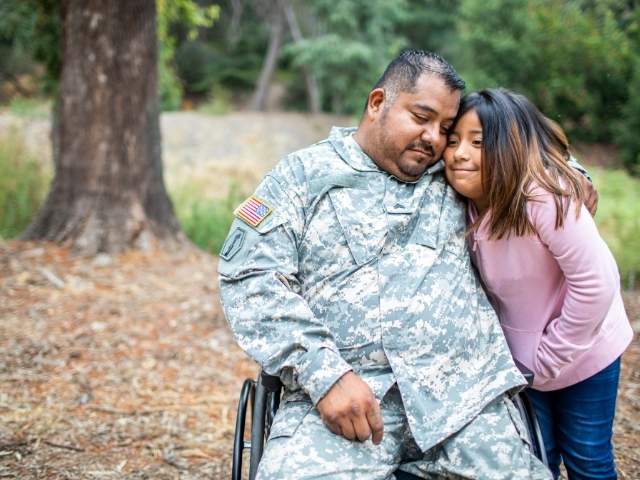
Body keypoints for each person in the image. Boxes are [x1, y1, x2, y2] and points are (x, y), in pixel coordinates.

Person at [219, 50, 553, 479]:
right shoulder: (302, 177)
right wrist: (325, 374)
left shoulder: (455, 172)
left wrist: (569, 174)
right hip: (348, 402)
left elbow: (524, 155)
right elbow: (250, 278)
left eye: (446, 129)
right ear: (377, 103)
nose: (434, 138)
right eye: (421, 117)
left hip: (465, 399)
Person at [443, 88, 633, 480]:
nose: (459, 153)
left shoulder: (544, 197)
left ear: (509, 148)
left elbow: (597, 284)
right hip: (525, 363)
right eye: (453, 140)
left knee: (587, 457)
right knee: (535, 459)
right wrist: (531, 364)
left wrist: (549, 358)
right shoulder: (460, 200)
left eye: (478, 142)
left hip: (585, 349)